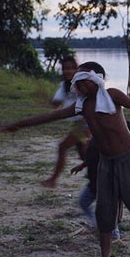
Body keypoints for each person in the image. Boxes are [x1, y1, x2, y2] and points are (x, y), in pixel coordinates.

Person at [0, 61, 130, 257]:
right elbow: (49, 117)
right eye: (76, 82)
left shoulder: (112, 95)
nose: (79, 85)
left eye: (84, 81)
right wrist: (19, 124)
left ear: (97, 80)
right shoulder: (81, 106)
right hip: (107, 162)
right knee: (105, 210)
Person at [41, 55, 91, 188]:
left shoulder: (82, 84)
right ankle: (96, 176)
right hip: (78, 124)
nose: (67, 71)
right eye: (65, 69)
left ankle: (53, 180)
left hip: (86, 124)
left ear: (76, 69)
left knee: (63, 147)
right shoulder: (64, 85)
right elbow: (56, 103)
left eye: (70, 68)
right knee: (84, 155)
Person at [70, 138, 121, 241]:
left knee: (108, 211)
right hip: (93, 184)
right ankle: (98, 225)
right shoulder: (92, 145)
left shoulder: (101, 144)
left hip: (106, 185)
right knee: (83, 202)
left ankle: (114, 233)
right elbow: (89, 159)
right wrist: (81, 166)